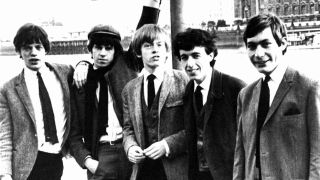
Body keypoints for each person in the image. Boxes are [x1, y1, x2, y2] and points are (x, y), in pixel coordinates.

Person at [69, 1, 162, 180]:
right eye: (98, 47)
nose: (103, 53)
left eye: (108, 47)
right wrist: (88, 162)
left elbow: (143, 30)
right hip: (101, 154)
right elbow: (73, 135)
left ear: (116, 50)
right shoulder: (80, 81)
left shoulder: (126, 65)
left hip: (134, 147)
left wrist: (153, 3)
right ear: (90, 50)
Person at [233, 13, 320, 180]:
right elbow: (240, 155)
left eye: (266, 44)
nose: (258, 54)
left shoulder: (309, 88)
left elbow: (318, 153)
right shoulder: (245, 95)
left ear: (283, 44)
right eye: (251, 46)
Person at [0, 23, 74, 180]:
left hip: (56, 159)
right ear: (19, 52)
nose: (33, 53)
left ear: (46, 49)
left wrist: (84, 64)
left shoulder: (65, 73)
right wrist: (5, 174)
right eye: (27, 48)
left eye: (38, 47)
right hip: (25, 166)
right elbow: (5, 135)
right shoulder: (8, 89)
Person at [173, 28, 246, 180]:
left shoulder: (236, 88)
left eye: (196, 55)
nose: (189, 63)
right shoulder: (189, 91)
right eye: (184, 57)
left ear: (211, 55)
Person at [122, 24, 189, 180]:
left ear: (166, 51)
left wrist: (167, 145)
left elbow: (196, 125)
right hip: (143, 171)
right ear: (138, 52)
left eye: (160, 45)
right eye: (148, 45)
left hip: (176, 170)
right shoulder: (129, 89)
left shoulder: (184, 81)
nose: (155, 49)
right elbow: (127, 128)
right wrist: (130, 147)